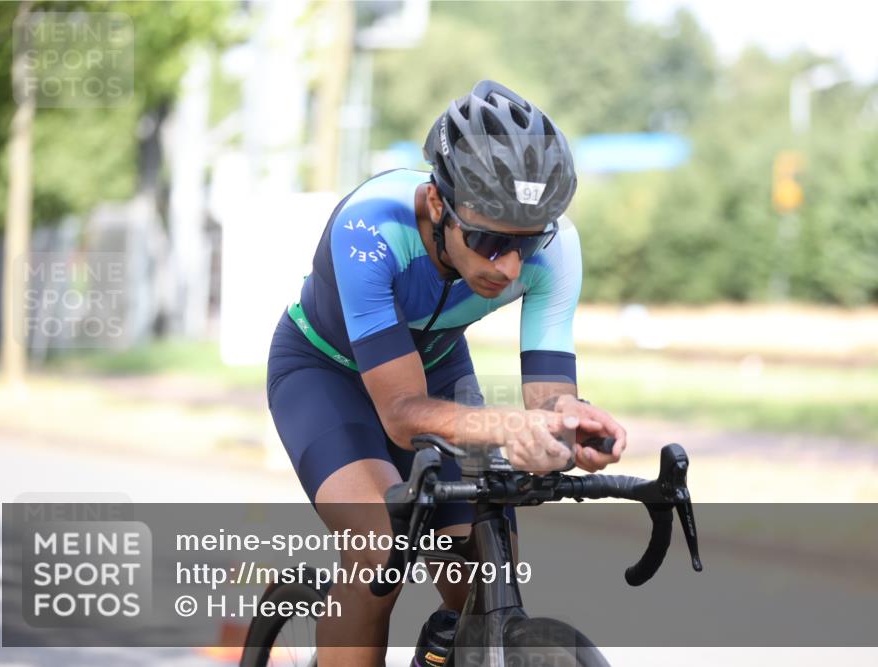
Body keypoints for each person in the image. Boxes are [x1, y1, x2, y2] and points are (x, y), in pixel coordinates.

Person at [266, 79, 627, 667]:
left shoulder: (557, 249)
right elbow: (404, 414)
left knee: (484, 574)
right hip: (324, 373)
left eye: (528, 242)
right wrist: (509, 427)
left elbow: (549, 400)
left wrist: (568, 430)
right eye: (487, 239)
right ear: (439, 205)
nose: (509, 267)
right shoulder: (371, 227)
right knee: (378, 548)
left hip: (433, 370)